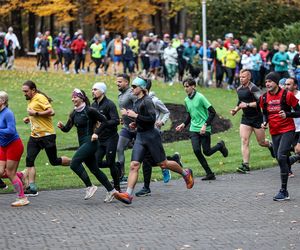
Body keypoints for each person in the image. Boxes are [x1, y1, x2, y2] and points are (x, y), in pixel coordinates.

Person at [113, 77, 194, 204]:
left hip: (151, 136)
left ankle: (185, 173)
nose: (132, 89)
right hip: (140, 136)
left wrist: (135, 116)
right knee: (134, 165)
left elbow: (151, 119)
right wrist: (135, 123)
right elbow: (141, 119)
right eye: (132, 87)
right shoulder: (136, 102)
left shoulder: (147, 101)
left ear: (142, 88)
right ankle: (128, 195)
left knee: (164, 164)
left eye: (134, 87)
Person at [58, 89, 117, 201]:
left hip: (91, 143)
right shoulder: (74, 113)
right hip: (83, 144)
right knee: (95, 169)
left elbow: (104, 121)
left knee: (74, 163)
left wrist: (96, 133)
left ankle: (90, 186)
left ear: (81, 98)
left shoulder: (90, 110)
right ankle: (112, 191)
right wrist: (62, 127)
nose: (72, 99)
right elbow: (67, 128)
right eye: (72, 97)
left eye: (75, 97)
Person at [22, 81, 71, 196]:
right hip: (35, 136)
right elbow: (36, 114)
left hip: (47, 136)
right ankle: (32, 188)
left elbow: (51, 112)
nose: (24, 93)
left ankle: (75, 162)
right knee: (29, 160)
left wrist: (35, 113)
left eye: (26, 91)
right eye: (23, 91)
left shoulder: (40, 97)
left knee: (54, 161)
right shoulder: (31, 100)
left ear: (33, 90)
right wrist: (29, 118)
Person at [135, 78, 183, 197]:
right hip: (144, 134)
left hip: (154, 133)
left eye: (136, 86)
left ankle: (173, 162)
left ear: (144, 87)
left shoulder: (154, 100)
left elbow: (166, 112)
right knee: (148, 160)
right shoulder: (139, 100)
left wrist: (161, 121)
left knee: (154, 161)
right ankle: (174, 160)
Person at [176, 78, 229, 180]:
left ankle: (220, 145)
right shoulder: (186, 100)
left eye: (187, 86)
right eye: (184, 86)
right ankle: (209, 173)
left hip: (204, 128)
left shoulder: (200, 97)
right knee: (196, 150)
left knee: (207, 152)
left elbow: (213, 112)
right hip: (193, 129)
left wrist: (205, 125)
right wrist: (183, 124)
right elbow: (190, 115)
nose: (185, 89)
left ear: (193, 86)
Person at [260, 72, 300, 201]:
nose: (267, 84)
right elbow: (265, 113)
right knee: (279, 158)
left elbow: (299, 111)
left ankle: (284, 191)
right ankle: (295, 158)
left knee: (282, 156)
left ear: (276, 83)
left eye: (270, 81)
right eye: (266, 82)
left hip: (287, 129)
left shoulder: (286, 95)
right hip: (274, 130)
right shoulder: (264, 98)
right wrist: (265, 122)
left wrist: (287, 114)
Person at [230, 69, 274, 173]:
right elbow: (240, 100)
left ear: (249, 77)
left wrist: (248, 105)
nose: (241, 79)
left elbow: (262, 102)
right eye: (240, 77)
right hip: (246, 118)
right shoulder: (239, 88)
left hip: (257, 118)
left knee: (261, 142)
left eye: (244, 77)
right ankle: (245, 165)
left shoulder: (253, 88)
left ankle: (271, 145)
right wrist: (236, 110)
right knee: (244, 140)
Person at [91, 82, 121, 199]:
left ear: (102, 91)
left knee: (110, 162)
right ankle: (117, 167)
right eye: (92, 89)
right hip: (100, 139)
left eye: (95, 89)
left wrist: (103, 124)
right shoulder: (93, 105)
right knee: (97, 163)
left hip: (111, 138)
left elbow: (116, 121)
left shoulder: (109, 104)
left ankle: (116, 188)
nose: (93, 91)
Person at [0, 91, 29, 207]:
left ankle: (22, 198)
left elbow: (11, 130)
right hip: (3, 146)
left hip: (14, 145)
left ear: (2, 101)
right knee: (1, 172)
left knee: (11, 173)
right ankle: (21, 175)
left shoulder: (8, 113)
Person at [116, 74, 137, 184]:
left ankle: (168, 164)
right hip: (126, 128)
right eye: (117, 81)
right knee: (119, 148)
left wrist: (128, 114)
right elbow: (124, 109)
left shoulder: (131, 94)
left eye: (120, 82)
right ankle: (121, 176)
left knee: (148, 154)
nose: (117, 83)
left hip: (138, 128)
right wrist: (123, 118)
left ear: (126, 83)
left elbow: (139, 107)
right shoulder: (120, 94)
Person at [283, 77, 300, 176]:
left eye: (288, 84)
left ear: (295, 86)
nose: (286, 86)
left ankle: (293, 159)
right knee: (288, 149)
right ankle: (288, 169)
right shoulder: (284, 96)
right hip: (291, 128)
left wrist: (288, 114)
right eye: (285, 84)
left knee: (298, 150)